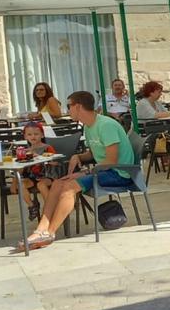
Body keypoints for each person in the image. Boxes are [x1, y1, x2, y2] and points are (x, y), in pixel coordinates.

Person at [18, 91, 135, 251]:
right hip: (105, 170)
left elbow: (111, 161)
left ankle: (50, 233)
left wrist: (85, 172)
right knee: (59, 183)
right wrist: (79, 156)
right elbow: (96, 153)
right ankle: (41, 229)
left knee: (69, 187)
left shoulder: (106, 125)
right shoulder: (88, 126)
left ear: (78, 106)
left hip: (120, 173)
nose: (67, 110)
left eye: (69, 106)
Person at [17, 122, 58, 221]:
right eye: (29, 134)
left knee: (41, 185)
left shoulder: (47, 148)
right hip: (32, 177)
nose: (33, 136)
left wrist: (39, 157)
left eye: (36, 134)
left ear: (42, 135)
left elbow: (55, 162)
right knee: (21, 184)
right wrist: (22, 160)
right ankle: (32, 206)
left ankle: (50, 208)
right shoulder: (26, 151)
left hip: (47, 175)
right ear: (25, 136)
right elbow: (21, 169)